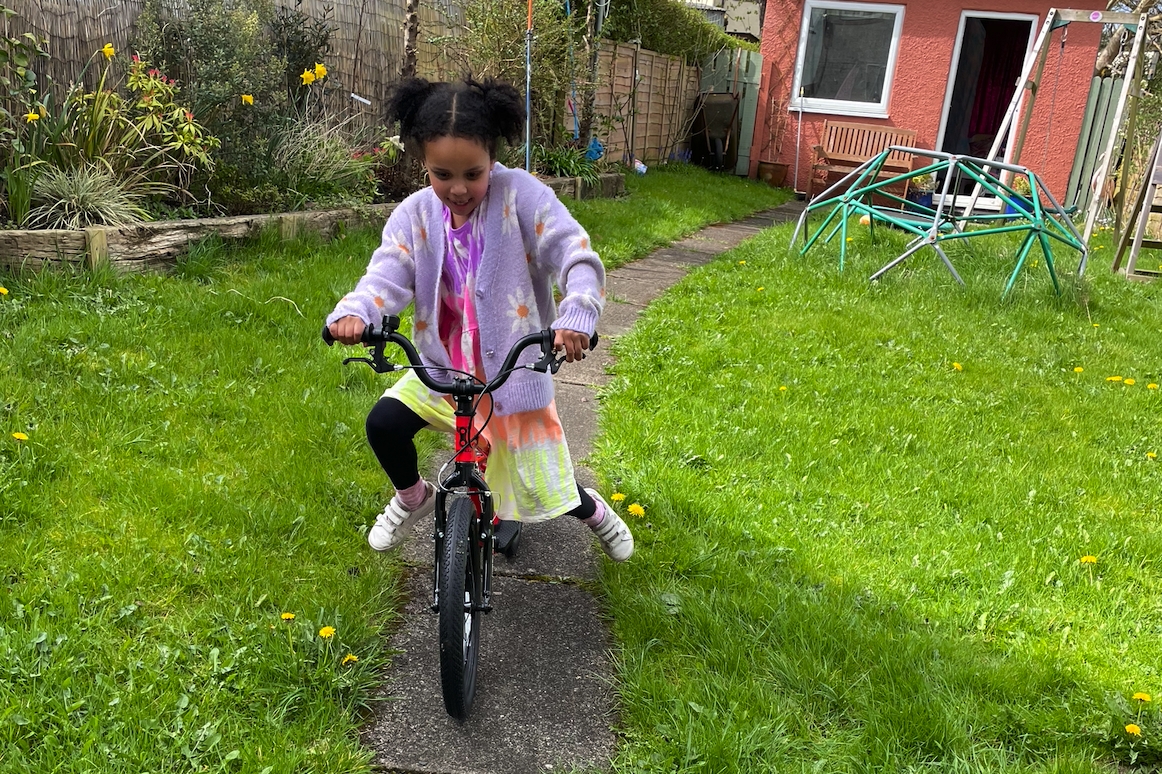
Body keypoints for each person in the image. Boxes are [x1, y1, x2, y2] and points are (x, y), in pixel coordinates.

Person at [326, 75, 634, 562]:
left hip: (511, 374)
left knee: (539, 481)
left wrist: (577, 313)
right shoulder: (414, 215)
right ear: (423, 164)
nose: (458, 188)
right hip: (442, 369)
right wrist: (356, 312)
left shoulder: (522, 197)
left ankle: (594, 511)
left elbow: (575, 257)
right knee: (384, 423)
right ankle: (413, 498)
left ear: (492, 157)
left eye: (473, 173)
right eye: (441, 174)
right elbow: (385, 277)